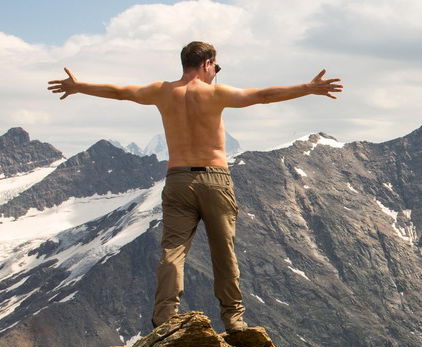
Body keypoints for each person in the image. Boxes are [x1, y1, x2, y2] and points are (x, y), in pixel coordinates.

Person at [46, 41, 343, 331]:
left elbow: (120, 92)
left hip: (177, 179)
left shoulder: (162, 92)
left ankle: (165, 317)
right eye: (216, 66)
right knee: (223, 252)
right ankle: (233, 319)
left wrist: (79, 86)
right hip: (215, 178)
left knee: (173, 251)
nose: (216, 72)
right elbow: (263, 96)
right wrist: (308, 88)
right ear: (206, 64)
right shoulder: (215, 93)